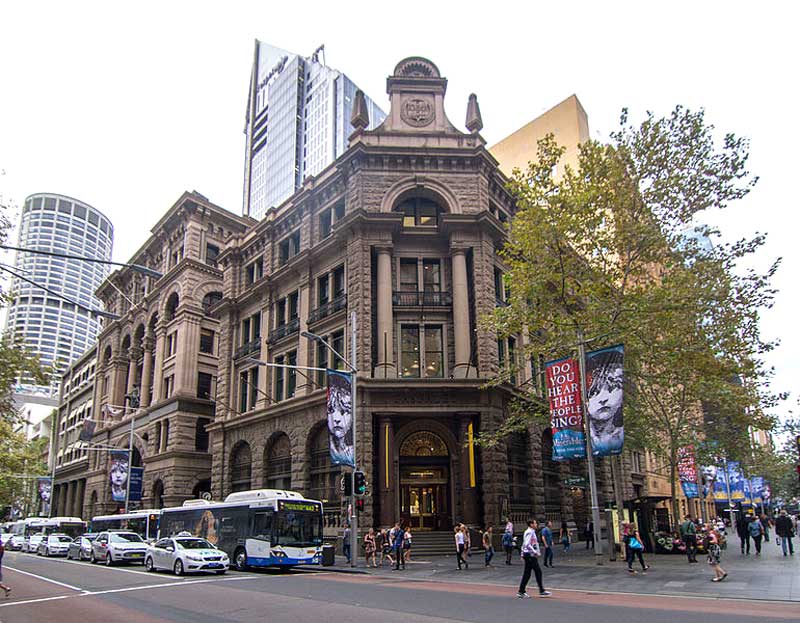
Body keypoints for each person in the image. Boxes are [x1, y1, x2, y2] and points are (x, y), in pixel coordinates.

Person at [586, 347, 625, 456]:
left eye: (611, 388)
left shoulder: (619, 436)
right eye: (594, 392)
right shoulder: (579, 438)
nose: (603, 399)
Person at [517, 519, 550, 598]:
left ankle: (523, 591)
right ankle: (539, 590)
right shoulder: (530, 532)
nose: (536, 525)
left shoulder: (529, 532)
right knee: (536, 572)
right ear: (531, 524)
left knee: (528, 573)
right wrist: (535, 552)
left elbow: (524, 544)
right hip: (530, 555)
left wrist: (522, 554)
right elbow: (527, 544)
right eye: (535, 523)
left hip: (528, 554)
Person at [327, 370, 354, 466]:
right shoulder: (330, 449)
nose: (337, 419)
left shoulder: (351, 451)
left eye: (343, 411)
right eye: (332, 410)